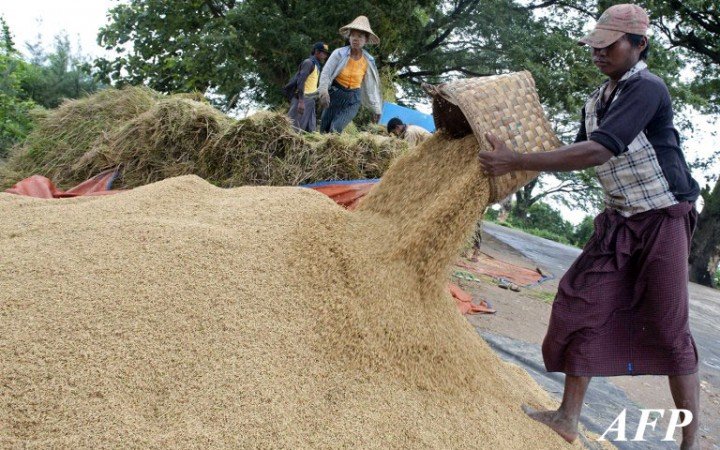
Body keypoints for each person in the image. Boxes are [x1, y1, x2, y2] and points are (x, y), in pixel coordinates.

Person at [477, 4, 701, 448]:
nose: (598, 53)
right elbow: (577, 150)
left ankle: (690, 443)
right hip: (621, 218)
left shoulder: (648, 88)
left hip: (663, 217)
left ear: (639, 45)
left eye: (608, 45)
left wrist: (517, 160)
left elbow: (599, 152)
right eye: (594, 46)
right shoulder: (597, 99)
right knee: (581, 300)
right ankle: (567, 418)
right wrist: (515, 154)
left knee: (669, 328)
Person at [318, 15, 383, 133]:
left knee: (335, 128)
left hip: (353, 98)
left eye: (360, 36)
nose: (355, 39)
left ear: (366, 40)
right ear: (349, 37)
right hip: (336, 93)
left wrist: (377, 110)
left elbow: (371, 88)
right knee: (324, 128)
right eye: (353, 35)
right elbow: (326, 73)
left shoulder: (369, 61)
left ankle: (334, 148)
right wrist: (323, 92)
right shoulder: (339, 53)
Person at [287, 42, 330, 132]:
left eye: (326, 54)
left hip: (310, 101)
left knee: (311, 131)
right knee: (294, 131)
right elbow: (300, 82)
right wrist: (301, 101)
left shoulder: (316, 66)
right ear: (316, 51)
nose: (324, 56)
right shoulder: (308, 63)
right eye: (323, 53)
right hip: (302, 100)